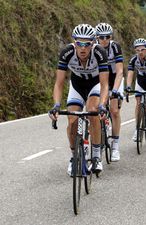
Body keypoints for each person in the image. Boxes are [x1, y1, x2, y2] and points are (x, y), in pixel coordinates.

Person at [48, 24, 109, 176]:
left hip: (95, 85)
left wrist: (102, 105)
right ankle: (74, 156)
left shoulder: (100, 53)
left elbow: (104, 85)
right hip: (77, 85)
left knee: (92, 111)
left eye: (87, 44)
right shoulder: (67, 52)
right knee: (71, 120)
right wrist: (56, 105)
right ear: (74, 42)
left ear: (93, 43)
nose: (82, 48)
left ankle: (95, 155)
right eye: (79, 43)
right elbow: (59, 83)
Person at [95, 23, 123, 162]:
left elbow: (120, 71)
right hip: (100, 79)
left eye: (107, 37)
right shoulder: (94, 48)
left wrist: (116, 90)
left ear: (111, 36)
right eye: (101, 37)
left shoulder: (115, 47)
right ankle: (98, 144)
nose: (104, 39)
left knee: (114, 110)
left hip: (114, 79)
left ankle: (115, 146)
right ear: (97, 37)